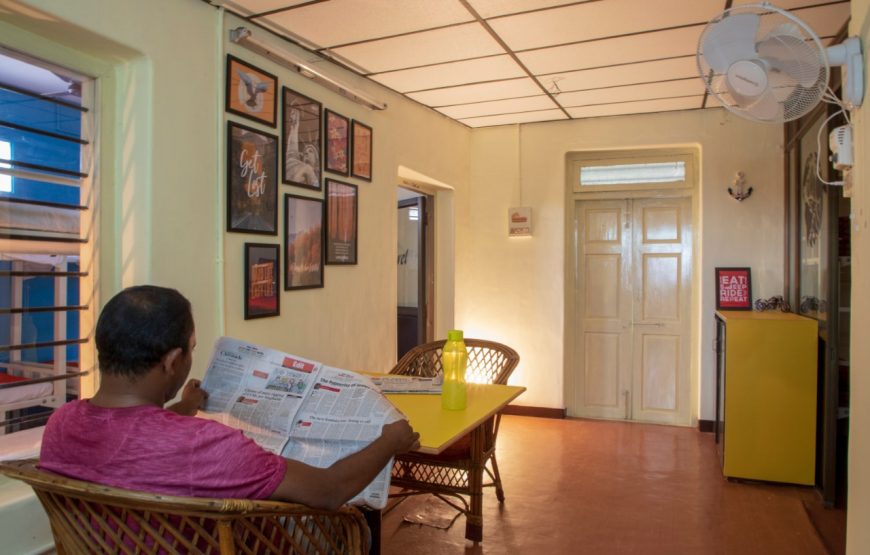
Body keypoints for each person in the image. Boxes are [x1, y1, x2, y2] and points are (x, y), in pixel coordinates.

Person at [39, 285, 419, 510]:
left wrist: (182, 410)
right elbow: (329, 490)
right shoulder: (207, 446)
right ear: (173, 361)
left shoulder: (61, 424)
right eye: (190, 349)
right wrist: (390, 441)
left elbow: (132, 440)